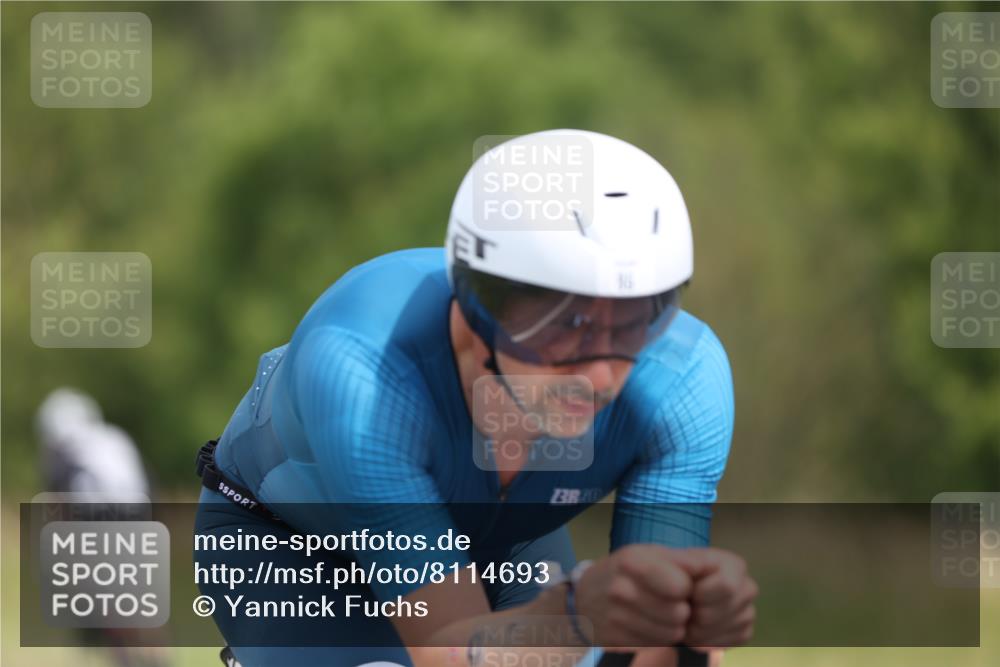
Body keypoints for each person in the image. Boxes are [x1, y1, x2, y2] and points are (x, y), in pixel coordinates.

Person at [194, 130, 756, 667]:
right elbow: (449, 655)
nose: (600, 373)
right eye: (560, 326)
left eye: (635, 324)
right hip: (295, 547)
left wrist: (689, 625)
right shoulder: (362, 370)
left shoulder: (684, 380)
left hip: (505, 545)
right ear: (473, 303)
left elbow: (659, 648)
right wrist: (578, 614)